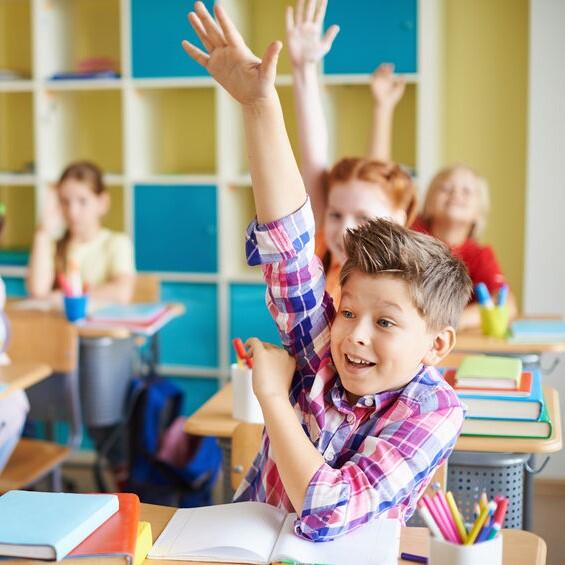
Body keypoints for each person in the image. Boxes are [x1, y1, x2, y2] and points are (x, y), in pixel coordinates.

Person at [182, 1, 472, 541]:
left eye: (385, 323)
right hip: (246, 544)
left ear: (436, 344)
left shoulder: (435, 410)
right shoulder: (325, 347)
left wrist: (272, 398)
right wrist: (260, 106)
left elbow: (325, 513)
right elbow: (289, 247)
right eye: (348, 311)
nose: (354, 334)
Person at [285, 0, 417, 302]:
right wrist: (304, 70)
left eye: (362, 217)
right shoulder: (323, 256)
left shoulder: (406, 283)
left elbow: (378, 183)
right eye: (335, 214)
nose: (345, 229)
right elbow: (313, 155)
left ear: (397, 219)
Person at [368, 70, 517, 330]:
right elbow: (379, 181)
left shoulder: (480, 256)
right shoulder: (411, 231)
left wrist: (444, 322)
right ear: (427, 201)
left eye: (467, 191)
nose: (456, 194)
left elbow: (508, 305)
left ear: (478, 213)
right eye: (446, 188)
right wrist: (383, 107)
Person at [27, 161, 135, 305]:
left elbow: (121, 292)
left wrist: (64, 296)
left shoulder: (116, 243)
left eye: (82, 201)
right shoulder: (53, 245)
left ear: (103, 203)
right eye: (65, 202)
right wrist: (43, 231)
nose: (72, 212)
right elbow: (38, 291)